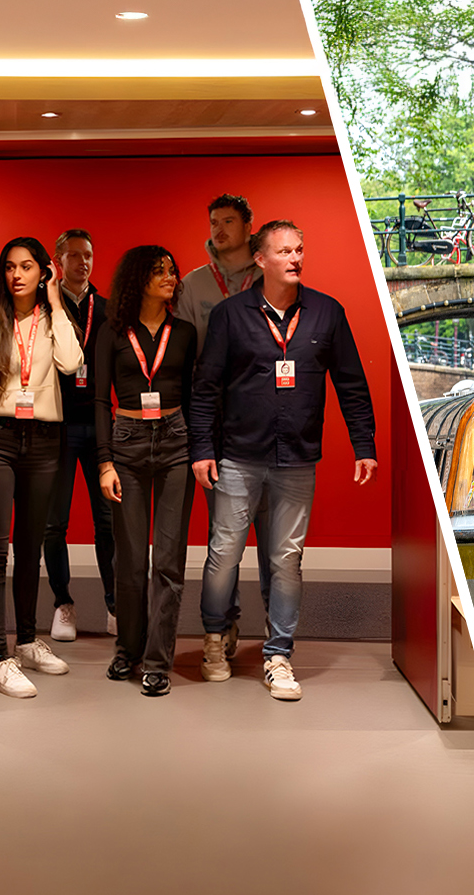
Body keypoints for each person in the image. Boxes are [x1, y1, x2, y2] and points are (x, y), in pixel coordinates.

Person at [190, 219, 377, 701]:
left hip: (296, 459)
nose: (295, 259)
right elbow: (206, 388)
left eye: (299, 250)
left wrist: (364, 445)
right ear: (261, 260)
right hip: (237, 456)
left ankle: (278, 655)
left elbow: (351, 383)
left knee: (287, 560)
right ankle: (216, 637)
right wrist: (202, 450)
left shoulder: (326, 313)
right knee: (224, 555)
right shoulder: (231, 316)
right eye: (285, 251)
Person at [0, 237, 83, 699]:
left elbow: (72, 363)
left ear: (43, 272)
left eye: (28, 266)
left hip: (45, 440)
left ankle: (28, 641)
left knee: (31, 546)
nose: (17, 275)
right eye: (10, 267)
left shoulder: (53, 320)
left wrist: (55, 301)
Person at [94, 246, 197, 697]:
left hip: (176, 442)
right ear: (139, 279)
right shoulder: (112, 332)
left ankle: (157, 661)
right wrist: (105, 462)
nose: (170, 277)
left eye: (172, 270)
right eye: (159, 271)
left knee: (168, 562)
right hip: (127, 443)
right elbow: (100, 400)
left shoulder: (185, 332)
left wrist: (200, 450)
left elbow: (193, 395)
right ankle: (127, 650)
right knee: (131, 560)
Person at [176, 193, 267, 662]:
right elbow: (182, 356)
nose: (219, 229)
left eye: (228, 221)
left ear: (249, 227)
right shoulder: (193, 285)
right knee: (224, 534)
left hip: (266, 420)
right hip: (214, 423)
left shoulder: (269, 279)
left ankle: (275, 637)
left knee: (274, 538)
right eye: (214, 222)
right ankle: (224, 623)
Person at [42, 228, 115, 641]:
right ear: (58, 261)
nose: (82, 262)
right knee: (55, 523)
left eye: (87, 255)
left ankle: (115, 606)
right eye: (73, 256)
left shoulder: (106, 310)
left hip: (100, 424)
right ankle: (62, 604)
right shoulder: (45, 308)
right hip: (57, 425)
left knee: (108, 521)